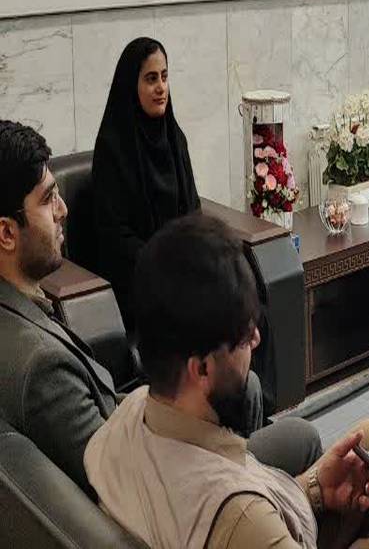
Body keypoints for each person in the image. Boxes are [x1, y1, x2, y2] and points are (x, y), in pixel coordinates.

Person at [85, 213, 369, 549]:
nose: (256, 340)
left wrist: (316, 488)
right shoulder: (240, 516)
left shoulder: (131, 414)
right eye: (243, 337)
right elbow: (244, 523)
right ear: (201, 369)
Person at [0, 121, 316, 500]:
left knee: (243, 390)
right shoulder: (41, 370)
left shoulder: (18, 315)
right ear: (7, 233)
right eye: (48, 198)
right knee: (302, 438)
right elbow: (119, 486)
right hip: (169, 489)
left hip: (144, 442)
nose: (62, 209)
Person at [92, 36, 200, 331]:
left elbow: (193, 209)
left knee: (246, 304)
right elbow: (115, 237)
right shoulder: (113, 149)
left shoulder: (175, 138)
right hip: (138, 279)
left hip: (181, 268)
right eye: (151, 79)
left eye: (164, 77)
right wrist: (163, 261)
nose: (161, 87)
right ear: (132, 85)